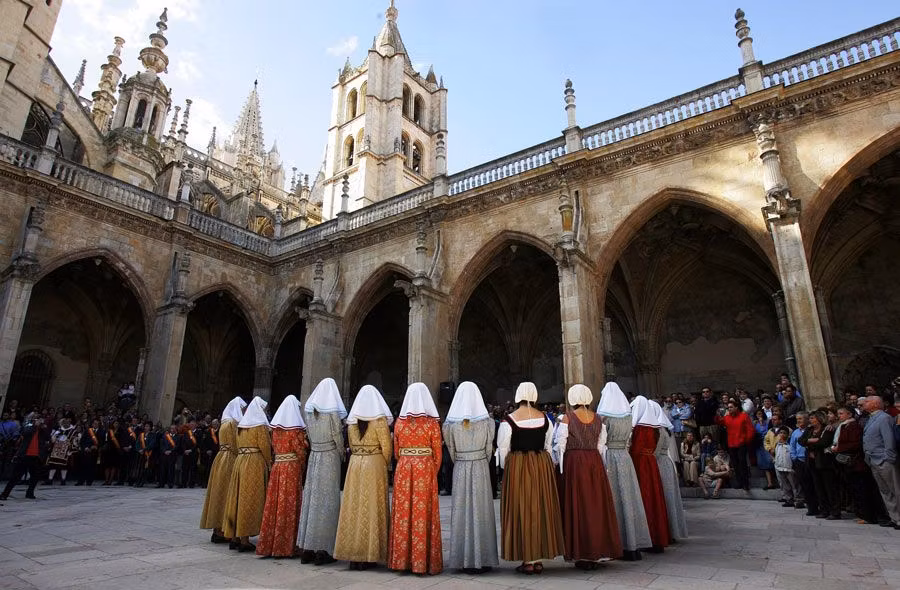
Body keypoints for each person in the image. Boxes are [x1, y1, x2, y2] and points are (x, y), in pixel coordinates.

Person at [497, 382, 564, 574]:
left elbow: (503, 449)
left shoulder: (509, 420)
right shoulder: (545, 418)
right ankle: (538, 558)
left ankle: (528, 559)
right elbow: (548, 444)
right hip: (541, 463)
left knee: (522, 507)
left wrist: (507, 468)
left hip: (518, 464)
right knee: (541, 507)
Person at [555, 384, 623, 569]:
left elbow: (560, 445)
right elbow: (602, 446)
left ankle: (583, 552)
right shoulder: (598, 419)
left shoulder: (567, 418)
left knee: (579, 506)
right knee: (596, 505)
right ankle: (599, 550)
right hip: (594, 462)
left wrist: (560, 467)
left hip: (575, 463)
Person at [334, 385, 393, 570]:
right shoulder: (380, 421)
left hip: (355, 464)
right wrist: (383, 463)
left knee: (354, 507)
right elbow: (387, 448)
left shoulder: (352, 423)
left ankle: (353, 554)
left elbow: (351, 444)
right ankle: (370, 554)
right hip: (374, 463)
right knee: (372, 507)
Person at [442, 381, 499, 574]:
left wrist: (462, 458)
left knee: (462, 510)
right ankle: (484, 558)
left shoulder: (450, 426)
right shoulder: (487, 423)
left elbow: (450, 450)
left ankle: (462, 559)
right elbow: (489, 450)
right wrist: (479, 458)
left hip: (461, 467)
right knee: (481, 510)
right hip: (480, 466)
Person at [388, 383, 443, 575]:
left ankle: (402, 561)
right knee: (423, 511)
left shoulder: (399, 423)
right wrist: (431, 470)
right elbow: (438, 453)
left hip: (404, 468)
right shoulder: (432, 424)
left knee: (404, 512)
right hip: (425, 468)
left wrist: (407, 459)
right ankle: (423, 561)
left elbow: (396, 452)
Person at [596, 382, 651, 561]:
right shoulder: (628, 416)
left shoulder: (604, 416)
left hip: (610, 455)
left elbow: (600, 440)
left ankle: (617, 542)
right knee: (629, 498)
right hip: (625, 458)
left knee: (613, 498)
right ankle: (633, 544)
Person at [297, 378, 346, 566]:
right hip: (329, 457)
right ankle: (323, 549)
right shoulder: (332, 413)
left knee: (311, 500)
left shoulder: (310, 413)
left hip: (314, 456)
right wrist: (341, 454)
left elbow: (308, 435)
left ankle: (307, 547)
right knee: (327, 502)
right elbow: (337, 438)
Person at [256, 394, 309, 558]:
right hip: (291, 469)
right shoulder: (295, 431)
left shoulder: (276, 430)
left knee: (275, 504)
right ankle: (286, 545)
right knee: (289, 505)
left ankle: (270, 543)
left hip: (278, 468)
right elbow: (300, 451)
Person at [223, 396, 272, 552]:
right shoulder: (260, 426)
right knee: (249, 499)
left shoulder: (241, 425)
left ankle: (234, 536)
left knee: (236, 498)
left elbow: (237, 445)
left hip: (240, 462)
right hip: (254, 463)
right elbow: (265, 446)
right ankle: (244, 539)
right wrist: (269, 463)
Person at [200, 397, 246, 544]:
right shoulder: (233, 424)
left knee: (218, 495)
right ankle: (224, 530)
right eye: (243, 409)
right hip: (231, 459)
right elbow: (238, 444)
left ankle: (217, 529)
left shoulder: (224, 423)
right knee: (228, 495)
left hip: (220, 458)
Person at [629, 396, 671, 552]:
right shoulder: (656, 428)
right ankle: (657, 537)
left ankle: (645, 537)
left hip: (639, 464)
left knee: (644, 498)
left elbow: (632, 447)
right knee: (655, 499)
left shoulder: (638, 428)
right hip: (651, 464)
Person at [831, 405, 879, 524]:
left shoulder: (853, 426)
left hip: (856, 462)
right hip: (847, 464)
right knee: (855, 489)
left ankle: (868, 515)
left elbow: (855, 444)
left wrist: (839, 448)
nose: (839, 416)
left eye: (842, 413)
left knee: (862, 489)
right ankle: (861, 513)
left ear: (849, 414)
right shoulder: (844, 426)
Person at [649, 401, 688, 541]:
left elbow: (656, 451)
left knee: (665, 497)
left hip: (661, 463)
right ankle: (672, 529)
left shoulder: (659, 430)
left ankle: (669, 530)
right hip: (666, 462)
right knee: (669, 498)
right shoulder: (664, 428)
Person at [861, 396, 900, 528]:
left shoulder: (884, 418)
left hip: (884, 459)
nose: (864, 403)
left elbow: (889, 439)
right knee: (885, 491)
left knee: (895, 489)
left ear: (875, 404)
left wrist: (889, 457)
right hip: (873, 460)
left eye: (867, 401)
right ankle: (894, 517)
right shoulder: (872, 418)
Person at [799, 410, 840, 519]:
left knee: (829, 487)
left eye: (813, 418)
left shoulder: (827, 429)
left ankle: (834, 511)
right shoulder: (809, 429)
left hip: (824, 461)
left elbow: (824, 442)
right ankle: (824, 509)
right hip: (812, 462)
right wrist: (813, 440)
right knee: (818, 487)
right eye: (810, 418)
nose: (810, 420)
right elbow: (801, 441)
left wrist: (810, 443)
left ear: (819, 419)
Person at [0, 413, 50, 500]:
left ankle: (30, 493)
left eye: (40, 419)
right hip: (25, 455)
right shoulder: (28, 424)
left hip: (37, 456)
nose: (39, 421)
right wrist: (35, 426)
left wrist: (43, 427)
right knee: (15, 476)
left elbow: (47, 437)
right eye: (37, 419)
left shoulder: (42, 429)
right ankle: (5, 494)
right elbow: (25, 432)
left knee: (35, 476)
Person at [719, 399, 754, 491]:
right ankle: (739, 482)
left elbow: (750, 430)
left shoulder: (744, 416)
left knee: (742, 463)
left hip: (741, 443)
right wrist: (716, 414)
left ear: (736, 407)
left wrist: (746, 440)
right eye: (728, 407)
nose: (729, 409)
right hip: (731, 444)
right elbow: (719, 421)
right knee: (735, 464)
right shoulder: (727, 418)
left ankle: (745, 483)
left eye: (731, 407)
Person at [789, 412, 817, 514]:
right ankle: (811, 507)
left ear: (807, 419)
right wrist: (794, 458)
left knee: (815, 484)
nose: (798, 421)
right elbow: (792, 446)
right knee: (805, 485)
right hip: (800, 461)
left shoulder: (811, 430)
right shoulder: (795, 432)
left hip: (811, 460)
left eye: (800, 419)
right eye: (797, 419)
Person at [773, 427, 799, 506]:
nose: (782, 434)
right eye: (780, 433)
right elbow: (777, 454)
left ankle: (798, 500)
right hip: (780, 467)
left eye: (784, 433)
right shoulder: (778, 444)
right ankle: (789, 499)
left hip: (789, 468)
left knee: (794, 485)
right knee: (785, 485)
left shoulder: (790, 444)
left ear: (788, 435)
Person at [46, 417, 75, 485]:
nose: (65, 423)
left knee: (64, 466)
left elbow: (74, 441)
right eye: (64, 422)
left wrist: (70, 448)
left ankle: (63, 480)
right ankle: (50, 480)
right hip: (56, 450)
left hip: (65, 450)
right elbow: (53, 438)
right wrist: (54, 439)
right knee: (53, 464)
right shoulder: (58, 430)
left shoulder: (73, 431)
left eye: (67, 422)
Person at [753, 409, 776, 489]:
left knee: (771, 462)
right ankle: (770, 483)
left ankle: (775, 481)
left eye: (760, 414)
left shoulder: (768, 422)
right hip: (759, 445)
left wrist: (762, 423)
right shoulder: (755, 423)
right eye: (757, 414)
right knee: (764, 464)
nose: (759, 415)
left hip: (768, 443)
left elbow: (768, 431)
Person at [198, 418, 220, 488]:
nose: (215, 425)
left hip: (216, 453)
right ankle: (205, 483)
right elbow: (203, 443)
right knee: (206, 469)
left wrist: (214, 450)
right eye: (213, 423)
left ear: (218, 424)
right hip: (208, 454)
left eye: (216, 423)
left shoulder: (220, 432)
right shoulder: (208, 432)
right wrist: (207, 450)